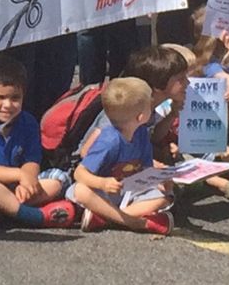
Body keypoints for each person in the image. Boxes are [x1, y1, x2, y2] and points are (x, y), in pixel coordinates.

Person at [0, 54, 74, 229]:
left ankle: (4, 211)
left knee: (59, 178)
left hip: (17, 187)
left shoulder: (28, 121)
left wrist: (27, 179)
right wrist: (21, 175)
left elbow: (31, 161)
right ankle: (32, 216)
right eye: (0, 97)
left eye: (15, 98)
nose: (8, 105)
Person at [67, 77, 172, 234]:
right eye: (149, 105)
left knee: (165, 197)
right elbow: (79, 173)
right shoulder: (109, 140)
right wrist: (102, 183)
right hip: (103, 193)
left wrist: (159, 178)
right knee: (80, 190)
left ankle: (105, 219)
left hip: (128, 191)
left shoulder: (141, 133)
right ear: (140, 117)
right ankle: (133, 221)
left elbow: (145, 168)